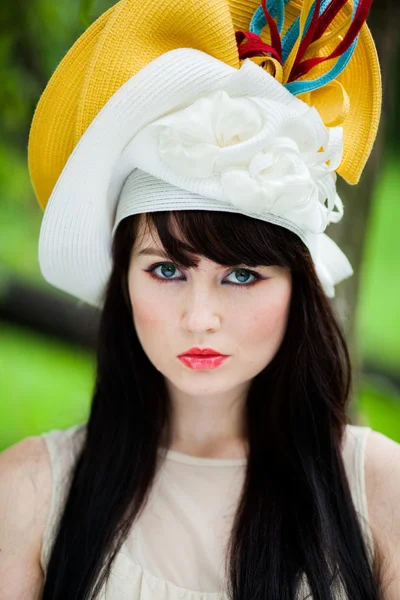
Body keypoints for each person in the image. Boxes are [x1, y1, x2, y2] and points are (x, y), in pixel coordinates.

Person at [1, 0, 400, 598]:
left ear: (300, 288)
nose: (200, 318)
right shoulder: (29, 494)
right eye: (166, 269)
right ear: (122, 277)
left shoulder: (380, 491)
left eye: (241, 276)